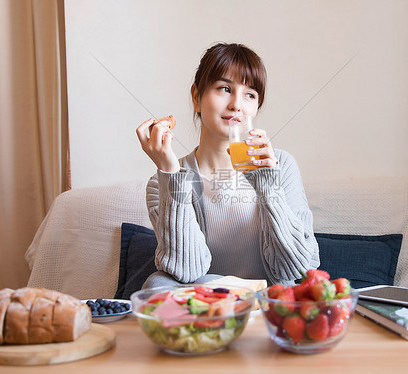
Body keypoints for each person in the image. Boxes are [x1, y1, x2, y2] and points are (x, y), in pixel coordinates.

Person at [135, 42, 319, 288]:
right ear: (196, 97)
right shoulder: (162, 181)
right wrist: (170, 173)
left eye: (250, 95)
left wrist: (268, 185)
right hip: (203, 308)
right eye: (224, 88)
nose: (237, 105)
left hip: (269, 305)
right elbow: (185, 270)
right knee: (156, 285)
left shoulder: (281, 165)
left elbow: (298, 267)